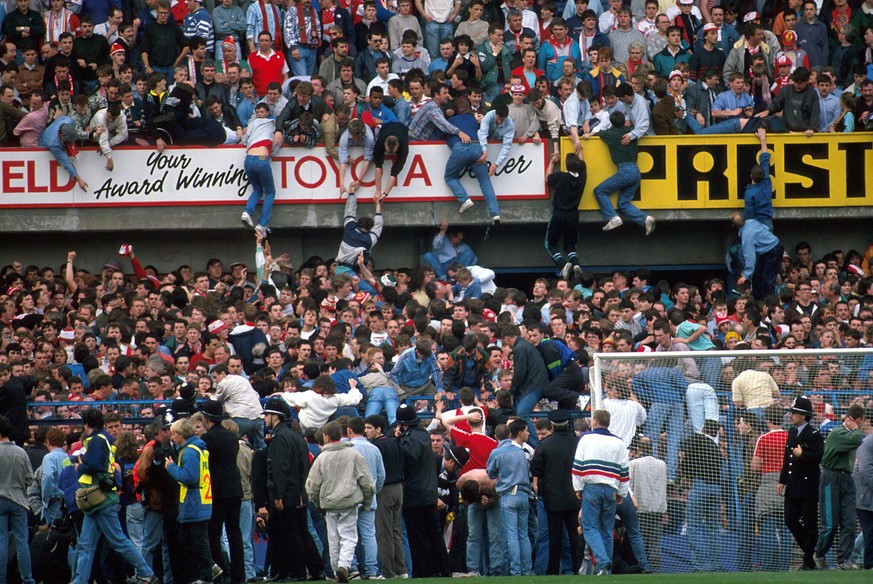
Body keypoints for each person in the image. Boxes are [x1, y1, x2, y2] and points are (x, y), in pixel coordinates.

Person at [74, 409, 157, 584]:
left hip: (100, 500)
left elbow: (93, 466)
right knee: (86, 545)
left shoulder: (96, 441)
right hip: (99, 500)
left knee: (117, 541)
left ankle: (146, 573)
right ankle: (79, 580)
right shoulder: (108, 440)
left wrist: (80, 465)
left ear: (86, 424)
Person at [306, 420, 375, 584]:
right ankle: (343, 566)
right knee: (349, 537)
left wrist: (318, 505)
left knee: (333, 539)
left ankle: (337, 570)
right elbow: (367, 482)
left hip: (329, 504)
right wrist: (366, 501)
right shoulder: (354, 455)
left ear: (326, 436)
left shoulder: (322, 458)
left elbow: (312, 486)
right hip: (349, 502)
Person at [262, 396, 323, 581]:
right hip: (299, 492)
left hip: (286, 494)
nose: (265, 419)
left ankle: (296, 571)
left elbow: (279, 468)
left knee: (288, 534)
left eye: (267, 415)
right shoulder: (296, 436)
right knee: (302, 532)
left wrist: (278, 495)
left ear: (276, 416)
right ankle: (315, 568)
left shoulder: (280, 438)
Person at [571, 409, 630, 576]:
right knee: (606, 529)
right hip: (611, 489)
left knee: (589, 527)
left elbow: (577, 467)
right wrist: (622, 493)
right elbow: (624, 472)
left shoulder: (586, 439)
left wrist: (578, 488)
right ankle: (606, 570)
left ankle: (603, 562)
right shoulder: (619, 443)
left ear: (594, 421)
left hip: (592, 488)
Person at [395, 403, 450, 578]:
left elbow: (410, 457)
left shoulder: (409, 438)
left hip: (414, 494)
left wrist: (398, 442)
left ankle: (423, 571)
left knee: (417, 536)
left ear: (403, 424)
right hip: (428, 493)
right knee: (434, 534)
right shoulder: (423, 435)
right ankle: (444, 569)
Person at [813, 403, 866, 570]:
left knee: (849, 522)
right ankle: (819, 554)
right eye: (861, 422)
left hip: (846, 478)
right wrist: (856, 428)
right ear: (854, 420)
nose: (862, 425)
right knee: (830, 524)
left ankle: (844, 561)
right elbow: (858, 439)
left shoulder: (850, 433)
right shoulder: (838, 433)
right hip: (831, 477)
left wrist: (855, 428)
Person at [199, 399, 245, 584]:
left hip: (217, 491)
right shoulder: (232, 437)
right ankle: (238, 576)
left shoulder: (208, 439)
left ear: (206, 418)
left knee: (214, 533)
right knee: (235, 534)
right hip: (234, 488)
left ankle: (221, 573)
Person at [530, 410, 580, 575]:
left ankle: (552, 570)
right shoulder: (576, 443)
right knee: (574, 536)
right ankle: (575, 567)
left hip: (553, 498)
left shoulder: (545, 445)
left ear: (552, 425)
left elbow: (536, 468)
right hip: (573, 496)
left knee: (555, 537)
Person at [164, 418, 213, 584]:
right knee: (190, 541)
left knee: (196, 543)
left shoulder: (190, 451)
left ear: (181, 435)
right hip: (200, 501)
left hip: (194, 503)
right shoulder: (197, 448)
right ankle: (208, 572)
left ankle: (207, 575)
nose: (171, 437)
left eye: (174, 434)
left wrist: (172, 468)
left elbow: (190, 478)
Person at [778, 395, 824, 571]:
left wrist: (803, 454)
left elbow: (819, 456)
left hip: (808, 486)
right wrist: (782, 480)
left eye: (795, 413)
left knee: (810, 521)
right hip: (793, 484)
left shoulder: (813, 434)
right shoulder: (791, 432)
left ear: (803, 416)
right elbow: (787, 458)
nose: (791, 415)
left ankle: (807, 560)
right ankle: (809, 552)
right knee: (790, 519)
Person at [593, 111, 656, 236]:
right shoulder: (632, 132)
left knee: (599, 191)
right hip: (636, 171)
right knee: (623, 204)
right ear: (624, 121)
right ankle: (645, 219)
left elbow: (595, 133)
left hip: (625, 170)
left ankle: (613, 218)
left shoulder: (611, 134)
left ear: (611, 123)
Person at [486, 418, 533, 576]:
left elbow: (490, 473)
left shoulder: (496, 452)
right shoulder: (520, 451)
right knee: (523, 534)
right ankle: (526, 570)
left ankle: (515, 571)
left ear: (496, 437)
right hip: (524, 494)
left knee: (511, 535)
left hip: (508, 494)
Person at [679, 419, 723, 572]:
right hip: (716, 489)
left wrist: (683, 473)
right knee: (713, 529)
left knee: (694, 527)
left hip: (700, 486)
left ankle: (700, 565)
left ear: (703, 428)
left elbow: (687, 459)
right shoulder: (717, 448)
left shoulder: (697, 439)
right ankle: (714, 565)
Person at [0, 414, 34, 584]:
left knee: (1, 540)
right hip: (19, 501)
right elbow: (30, 479)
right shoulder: (21, 452)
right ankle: (27, 579)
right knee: (22, 541)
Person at [545, 151, 586, 281]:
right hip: (574, 215)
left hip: (559, 213)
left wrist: (552, 162)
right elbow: (583, 163)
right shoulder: (582, 178)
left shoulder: (560, 177)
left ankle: (563, 264)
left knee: (550, 244)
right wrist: (579, 147)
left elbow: (547, 178)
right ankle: (576, 264)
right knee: (570, 245)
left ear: (566, 166)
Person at [240, 103, 279, 237]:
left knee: (257, 189)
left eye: (262, 111)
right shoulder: (273, 123)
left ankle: (247, 212)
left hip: (248, 159)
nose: (260, 114)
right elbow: (276, 142)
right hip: (261, 159)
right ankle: (262, 224)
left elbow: (245, 140)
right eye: (258, 112)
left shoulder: (252, 124)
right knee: (270, 192)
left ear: (267, 112)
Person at [729, 211, 784, 300]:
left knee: (767, 279)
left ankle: (770, 303)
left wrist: (746, 274)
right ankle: (759, 301)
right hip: (768, 250)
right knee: (757, 277)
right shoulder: (751, 221)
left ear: (733, 225)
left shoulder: (746, 236)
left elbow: (750, 256)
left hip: (774, 250)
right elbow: (765, 227)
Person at [335, 191, 384, 272]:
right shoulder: (369, 240)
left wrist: (351, 192)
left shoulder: (349, 228)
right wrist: (378, 205)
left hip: (338, 270)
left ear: (358, 224)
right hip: (352, 272)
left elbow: (350, 211)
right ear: (369, 228)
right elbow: (378, 226)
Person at [743, 128, 774, 231]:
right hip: (768, 222)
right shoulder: (766, 180)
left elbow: (749, 214)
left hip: (757, 225)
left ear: (750, 176)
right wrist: (763, 139)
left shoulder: (750, 193)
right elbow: (765, 158)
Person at [855, 410, 873, 570]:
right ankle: (863, 562)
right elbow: (865, 470)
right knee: (869, 532)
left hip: (865, 495)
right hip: (866, 496)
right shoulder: (867, 443)